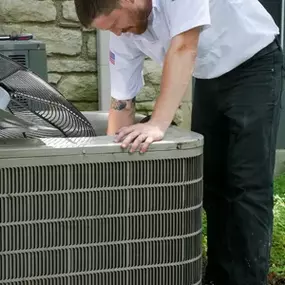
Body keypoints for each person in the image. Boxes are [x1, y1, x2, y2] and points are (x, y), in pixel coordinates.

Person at [74, 0, 284, 284]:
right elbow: (121, 104)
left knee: (246, 183)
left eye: (114, 24)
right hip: (209, 75)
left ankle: (246, 279)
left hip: (254, 64)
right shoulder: (123, 34)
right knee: (212, 183)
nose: (118, 33)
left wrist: (158, 123)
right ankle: (220, 276)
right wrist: (113, 175)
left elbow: (185, 46)